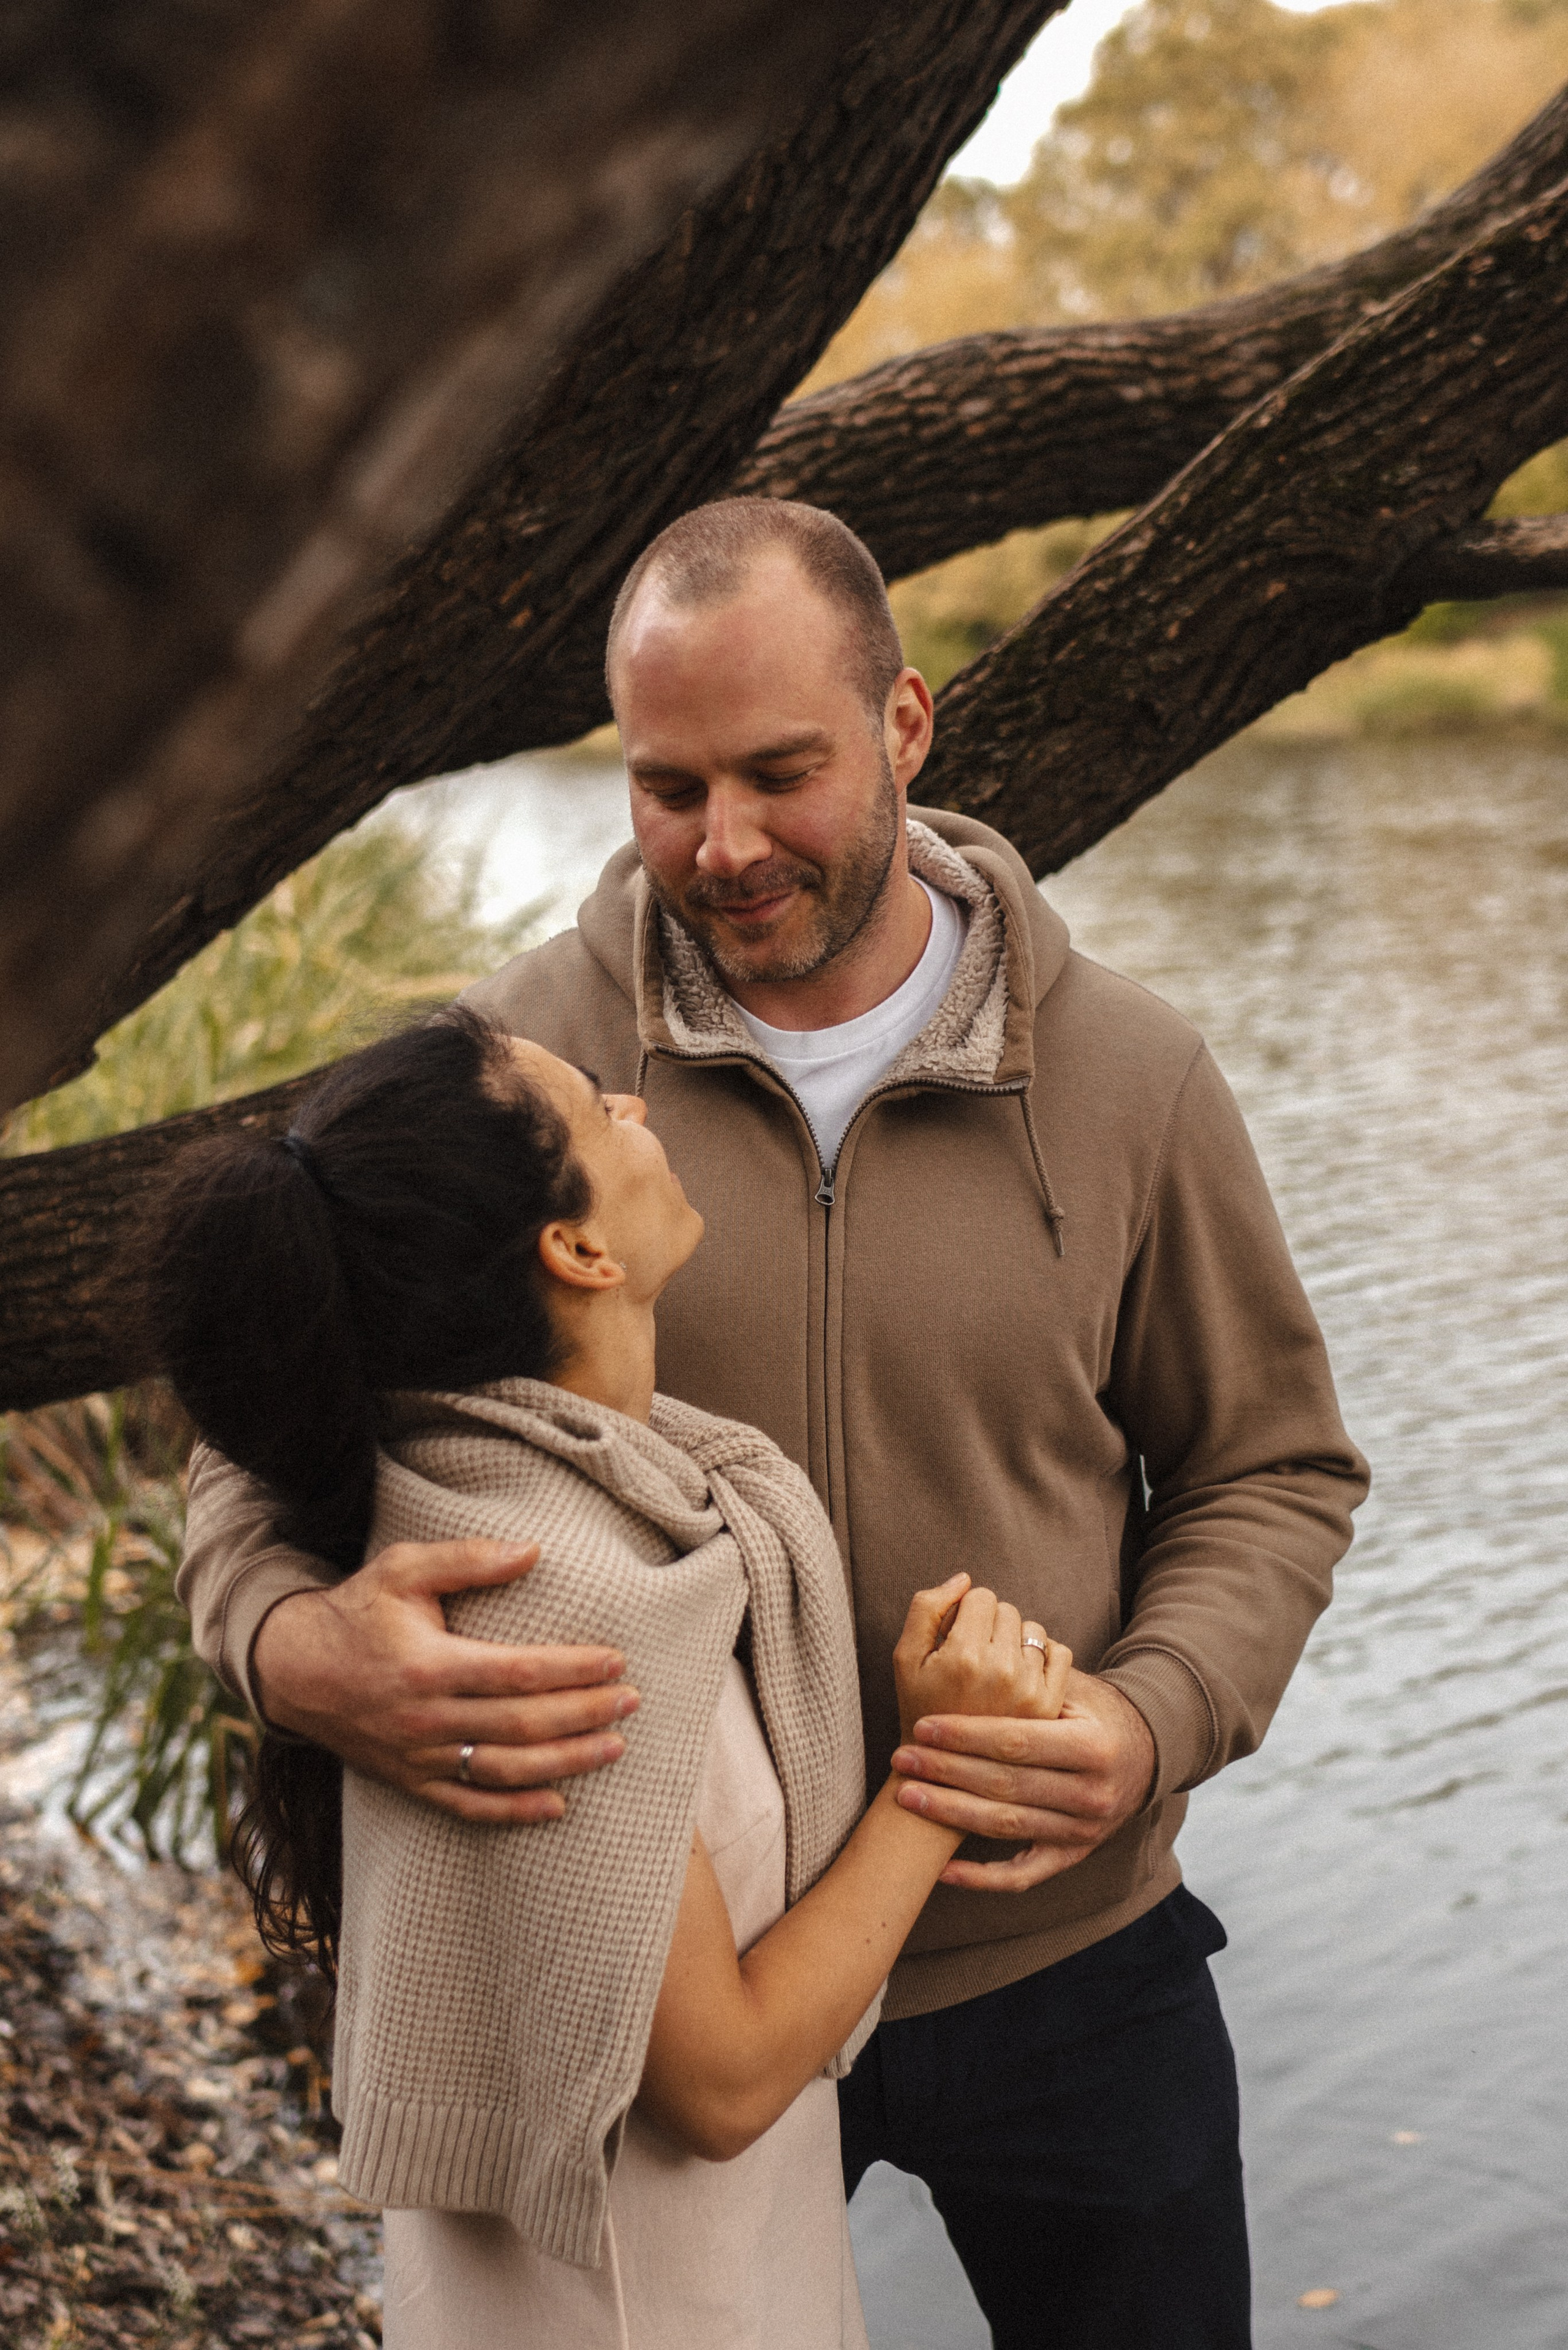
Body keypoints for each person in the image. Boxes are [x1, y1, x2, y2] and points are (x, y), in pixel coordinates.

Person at [178, 498, 1370, 2350]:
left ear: (903, 727)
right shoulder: (524, 1077)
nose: (720, 845)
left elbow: (1270, 1470)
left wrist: (1146, 1725)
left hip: (1052, 1957)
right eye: (666, 786)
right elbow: (269, 1400)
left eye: (778, 772)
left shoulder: (1133, 1075)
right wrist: (283, 1633)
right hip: (674, 1978)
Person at [148, 1004, 1073, 2348]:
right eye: (598, 1107)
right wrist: (937, 1768)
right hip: (646, 2298)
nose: (639, 1111)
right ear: (575, 1248)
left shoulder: (446, 1481)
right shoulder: (562, 1606)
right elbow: (723, 2078)